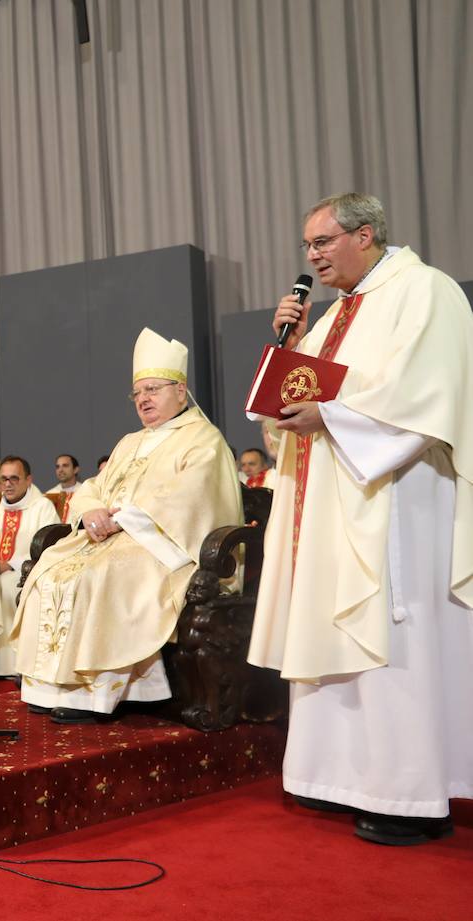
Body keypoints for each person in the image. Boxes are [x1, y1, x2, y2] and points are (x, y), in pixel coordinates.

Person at [247, 192, 473, 846]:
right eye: (307, 247)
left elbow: (426, 392)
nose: (311, 256)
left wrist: (333, 416)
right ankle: (343, 778)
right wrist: (289, 345)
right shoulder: (332, 316)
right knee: (336, 628)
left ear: (366, 233)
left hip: (397, 497)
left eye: (322, 242)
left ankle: (409, 794)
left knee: (388, 635)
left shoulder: (425, 292)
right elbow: (292, 407)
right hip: (332, 502)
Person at [12, 329, 241, 723]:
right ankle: (52, 686)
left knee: (98, 576)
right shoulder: (129, 442)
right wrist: (90, 511)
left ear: (181, 392)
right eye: (137, 393)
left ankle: (96, 694)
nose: (144, 400)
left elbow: (191, 497)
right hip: (111, 537)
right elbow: (92, 487)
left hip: (164, 546)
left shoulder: (204, 439)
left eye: (153, 389)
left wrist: (122, 519)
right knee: (49, 569)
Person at [0, 456, 62, 678]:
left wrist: (10, 563)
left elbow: (50, 544)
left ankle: (12, 664)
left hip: (26, 571)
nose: (8, 484)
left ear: (28, 480)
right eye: (3, 479)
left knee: (6, 587)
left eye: (14, 478)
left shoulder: (42, 506)